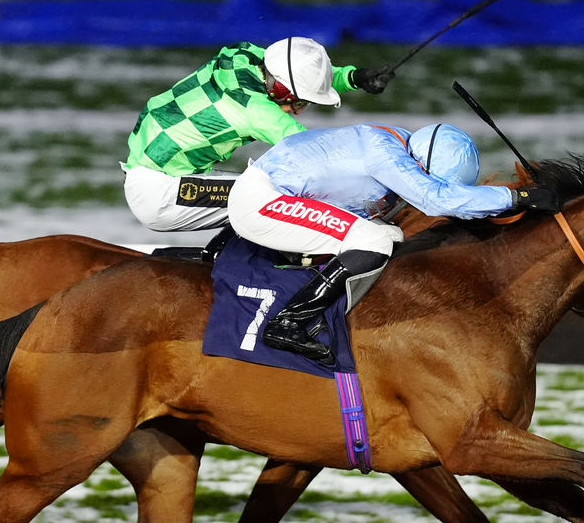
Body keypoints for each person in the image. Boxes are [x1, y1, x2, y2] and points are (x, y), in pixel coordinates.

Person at [225, 122, 559, 364]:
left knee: (391, 235)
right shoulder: (385, 154)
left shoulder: (396, 142)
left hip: (278, 190)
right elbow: (434, 198)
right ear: (420, 164)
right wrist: (517, 197)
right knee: (373, 242)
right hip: (263, 200)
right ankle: (289, 323)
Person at [123, 37, 394, 236]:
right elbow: (319, 158)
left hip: (155, 172)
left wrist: (353, 77)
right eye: (298, 104)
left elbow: (297, 75)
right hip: (159, 194)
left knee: (274, 189)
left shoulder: (243, 55)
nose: (297, 113)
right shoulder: (257, 112)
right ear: (281, 92)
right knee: (298, 200)